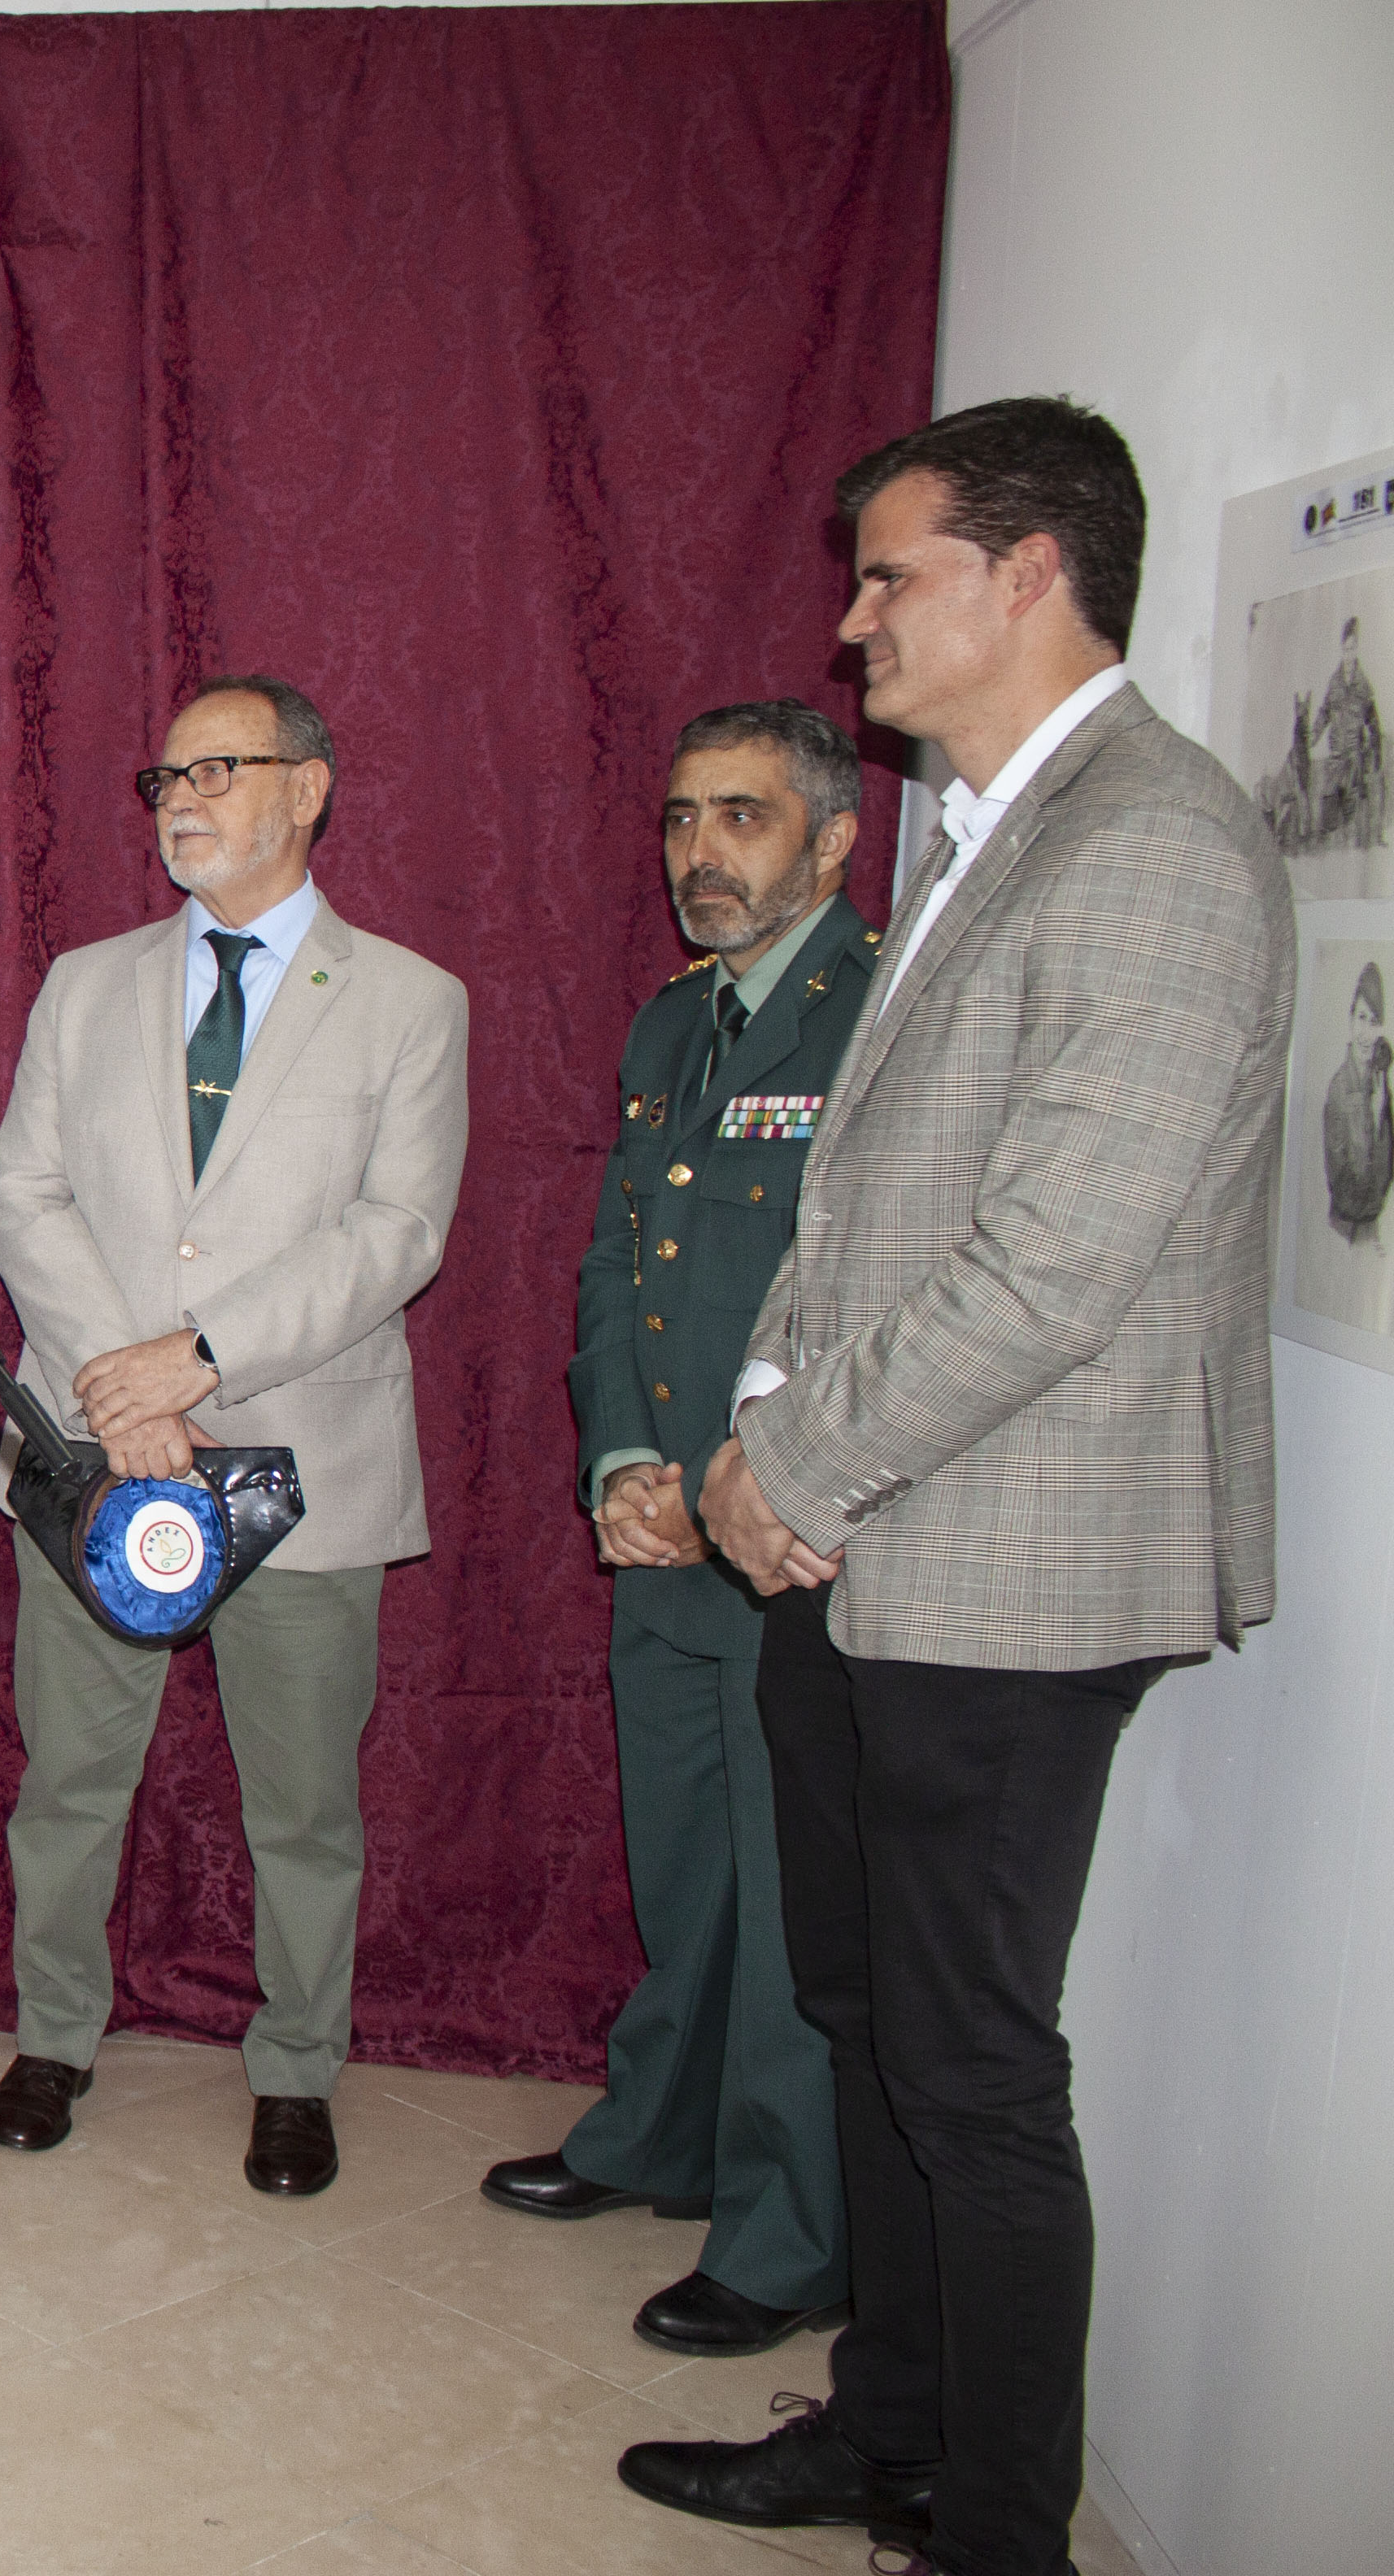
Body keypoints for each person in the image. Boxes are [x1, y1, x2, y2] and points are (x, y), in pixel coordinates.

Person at [637, 398, 1294, 2576]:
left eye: (888, 575)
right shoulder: (983, 832)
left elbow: (1053, 1265)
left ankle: (995, 2529)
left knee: (974, 2072)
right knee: (869, 2021)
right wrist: (763, 1440)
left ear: (1028, 571)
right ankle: (888, 2425)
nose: (851, 624)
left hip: (1011, 1574)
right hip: (859, 1549)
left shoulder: (1153, 842)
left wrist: (785, 1465)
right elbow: (862, 1213)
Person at [0, 675, 468, 2197]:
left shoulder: (410, 1001)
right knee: (69, 1778)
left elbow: (398, 1233)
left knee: (304, 1805)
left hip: (303, 1459)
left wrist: (192, 1364)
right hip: (95, 1452)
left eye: (218, 770)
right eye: (165, 777)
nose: (180, 800)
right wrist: (118, 1388)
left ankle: (297, 2065)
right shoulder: (86, 984)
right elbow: (23, 1195)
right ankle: (54, 2034)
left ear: (309, 789)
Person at [482, 701, 876, 2358]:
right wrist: (625, 1459)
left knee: (791, 1908)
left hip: (792, 1540)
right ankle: (660, 2134)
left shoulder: (879, 1018)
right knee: (686, 1863)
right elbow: (614, 1265)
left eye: (743, 816)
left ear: (833, 841)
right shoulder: (674, 1024)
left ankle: (786, 2235)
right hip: (662, 1530)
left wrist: (733, 1479)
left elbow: (871, 1300)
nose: (699, 852)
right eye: (681, 817)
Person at [1323, 960, 1389, 1239]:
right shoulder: (1339, 1088)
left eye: (1374, 1022)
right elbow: (1341, 1184)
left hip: (1371, 1224)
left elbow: (1387, 1166)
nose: (1366, 1033)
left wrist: (1381, 1107)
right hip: (1346, 1227)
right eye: (1361, 1017)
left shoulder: (1380, 1084)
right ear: (1351, 1019)